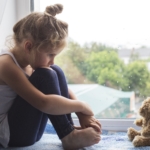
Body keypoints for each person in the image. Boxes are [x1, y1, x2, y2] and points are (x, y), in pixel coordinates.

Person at [0, 3, 101, 150]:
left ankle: (69, 129)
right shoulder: (5, 64)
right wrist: (83, 106)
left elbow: (62, 92)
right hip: (11, 135)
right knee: (46, 74)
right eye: (50, 54)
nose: (52, 60)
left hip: (29, 131)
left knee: (55, 70)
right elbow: (43, 102)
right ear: (28, 46)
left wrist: (82, 114)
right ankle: (68, 136)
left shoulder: (31, 62)